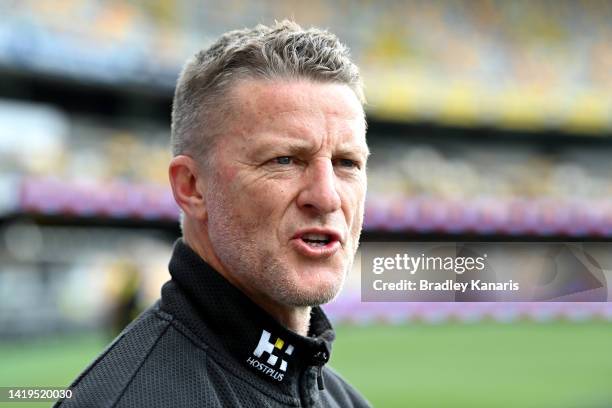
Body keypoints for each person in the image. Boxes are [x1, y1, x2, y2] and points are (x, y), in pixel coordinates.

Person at [55, 20, 371, 407]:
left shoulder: (344, 400)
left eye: (348, 163)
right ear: (191, 187)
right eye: (284, 160)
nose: (326, 196)